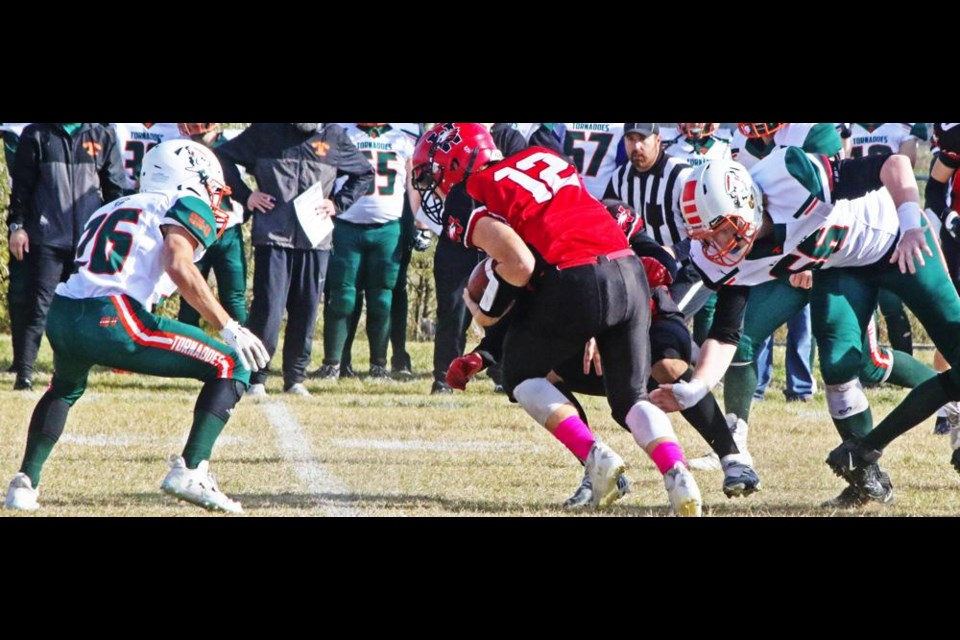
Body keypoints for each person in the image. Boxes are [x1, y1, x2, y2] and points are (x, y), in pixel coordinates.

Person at [412, 123, 703, 515]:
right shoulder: (544, 157)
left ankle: (595, 455)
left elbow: (519, 262)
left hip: (576, 277)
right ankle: (677, 472)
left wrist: (485, 313)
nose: (436, 186)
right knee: (630, 397)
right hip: (627, 271)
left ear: (455, 161)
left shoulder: (472, 191)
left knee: (520, 375)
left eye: (435, 175)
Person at [651, 150, 952, 505]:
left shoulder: (790, 177)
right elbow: (726, 332)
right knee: (839, 368)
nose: (713, 246)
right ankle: (863, 475)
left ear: (747, 206)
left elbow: (896, 164)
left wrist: (911, 224)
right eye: (705, 236)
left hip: (897, 240)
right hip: (845, 267)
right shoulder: (725, 254)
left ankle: (872, 446)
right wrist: (698, 386)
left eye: (719, 232)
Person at [4, 139, 269, 513]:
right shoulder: (183, 203)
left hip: (64, 312)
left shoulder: (113, 205)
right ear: (190, 176)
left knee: (64, 388)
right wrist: (228, 325)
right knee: (232, 363)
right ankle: (191, 470)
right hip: (112, 316)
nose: (214, 194)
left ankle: (24, 484)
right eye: (210, 183)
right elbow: (179, 267)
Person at [446, 199, 760, 507]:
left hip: (649, 316)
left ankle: (733, 458)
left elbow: (661, 259)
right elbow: (522, 318)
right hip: (584, 331)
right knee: (537, 372)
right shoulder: (528, 247)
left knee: (667, 367)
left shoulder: (601, 214)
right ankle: (596, 468)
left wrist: (606, 315)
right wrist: (483, 354)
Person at [214, 123, 374, 396]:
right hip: (273, 236)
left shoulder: (334, 135)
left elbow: (365, 173)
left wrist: (337, 203)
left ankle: (295, 378)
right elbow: (222, 157)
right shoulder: (265, 131)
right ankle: (256, 378)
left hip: (315, 238)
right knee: (269, 309)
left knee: (307, 308)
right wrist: (246, 195)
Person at [7, 123, 126, 391]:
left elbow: (115, 189)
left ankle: (72, 372)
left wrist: (111, 232)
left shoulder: (102, 133)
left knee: (85, 307)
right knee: (39, 307)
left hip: (89, 239)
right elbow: (21, 188)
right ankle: (24, 374)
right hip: (46, 237)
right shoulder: (36, 133)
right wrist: (17, 226)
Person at [316, 123, 419, 379]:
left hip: (388, 229)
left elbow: (413, 185)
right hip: (346, 225)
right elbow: (323, 174)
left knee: (382, 299)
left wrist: (419, 222)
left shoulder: (402, 139)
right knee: (341, 297)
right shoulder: (341, 134)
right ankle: (333, 363)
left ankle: (378, 365)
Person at [175, 123, 248, 327]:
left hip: (228, 229)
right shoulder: (178, 146)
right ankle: (186, 353)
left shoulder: (235, 141)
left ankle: (244, 355)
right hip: (194, 228)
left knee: (234, 298)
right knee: (190, 297)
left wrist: (249, 204)